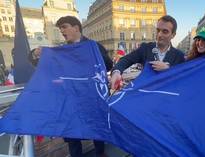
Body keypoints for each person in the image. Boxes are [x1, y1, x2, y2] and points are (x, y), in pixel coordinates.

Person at [30, 16, 112, 157]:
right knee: (72, 134)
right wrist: (35, 54)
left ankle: (101, 154)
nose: (62, 30)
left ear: (76, 28)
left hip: (91, 98)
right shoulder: (63, 50)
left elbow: (109, 65)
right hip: (71, 100)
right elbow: (40, 64)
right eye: (60, 28)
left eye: (64, 27)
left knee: (97, 130)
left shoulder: (93, 46)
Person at [110, 15, 185, 90]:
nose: (159, 34)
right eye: (158, 30)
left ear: (173, 35)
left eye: (165, 31)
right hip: (146, 95)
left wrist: (169, 69)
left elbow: (184, 76)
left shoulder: (179, 56)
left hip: (167, 96)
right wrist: (116, 72)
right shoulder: (145, 48)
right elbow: (125, 60)